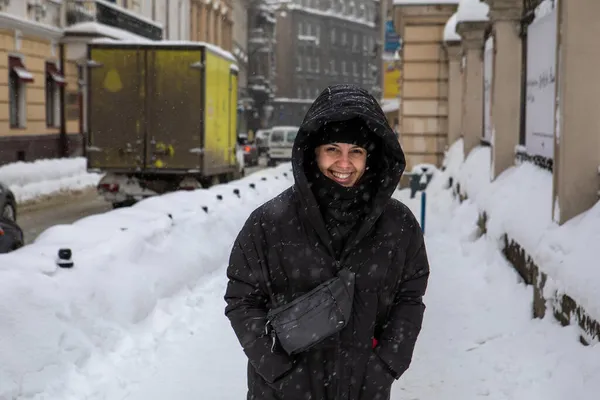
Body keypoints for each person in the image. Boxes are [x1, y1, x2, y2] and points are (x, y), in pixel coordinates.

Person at [224, 84, 430, 400]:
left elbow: (410, 297)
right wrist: (280, 372)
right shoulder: (270, 223)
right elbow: (242, 299)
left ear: (371, 157)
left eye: (356, 151)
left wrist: (386, 365)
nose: (344, 164)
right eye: (333, 148)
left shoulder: (399, 226)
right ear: (314, 151)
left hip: (362, 390)